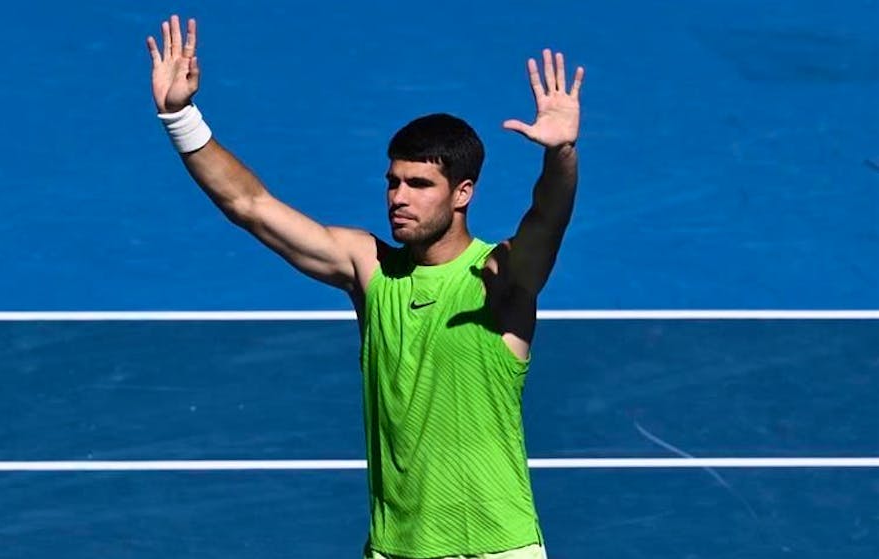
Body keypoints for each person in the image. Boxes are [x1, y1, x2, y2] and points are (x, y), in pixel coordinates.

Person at [147, 14, 584, 559]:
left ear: (462, 193)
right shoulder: (370, 268)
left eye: (420, 185)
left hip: (495, 548)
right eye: (393, 182)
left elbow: (547, 220)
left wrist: (560, 154)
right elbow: (251, 206)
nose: (399, 197)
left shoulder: (500, 278)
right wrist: (179, 116)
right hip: (393, 549)